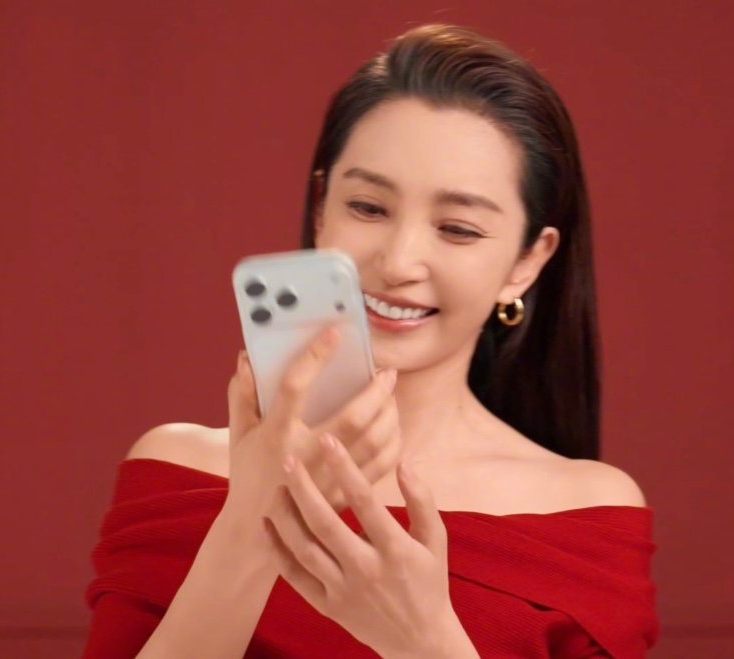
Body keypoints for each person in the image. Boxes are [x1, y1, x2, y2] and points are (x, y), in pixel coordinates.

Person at [83, 24, 658, 659]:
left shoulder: (586, 513)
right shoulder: (178, 470)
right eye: (369, 208)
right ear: (321, 208)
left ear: (527, 262)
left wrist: (423, 638)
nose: (398, 261)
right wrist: (250, 525)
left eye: (458, 228)